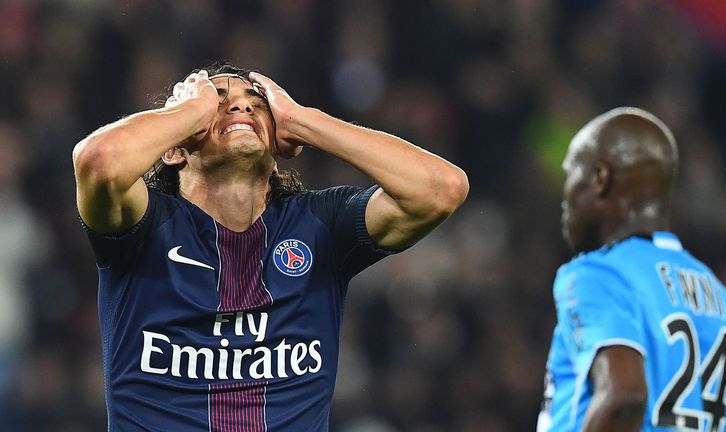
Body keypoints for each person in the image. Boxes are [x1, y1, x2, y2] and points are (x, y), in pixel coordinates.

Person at [72, 63, 469, 431]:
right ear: (175, 149)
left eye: (257, 103)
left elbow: (440, 189)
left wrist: (303, 121)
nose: (241, 105)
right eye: (218, 101)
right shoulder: (144, 226)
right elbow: (99, 161)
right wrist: (189, 112)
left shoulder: (320, 228)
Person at [537, 107, 726, 432]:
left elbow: (625, 397)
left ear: (600, 179)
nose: (565, 196)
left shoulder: (598, 275)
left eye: (571, 173)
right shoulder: (724, 302)